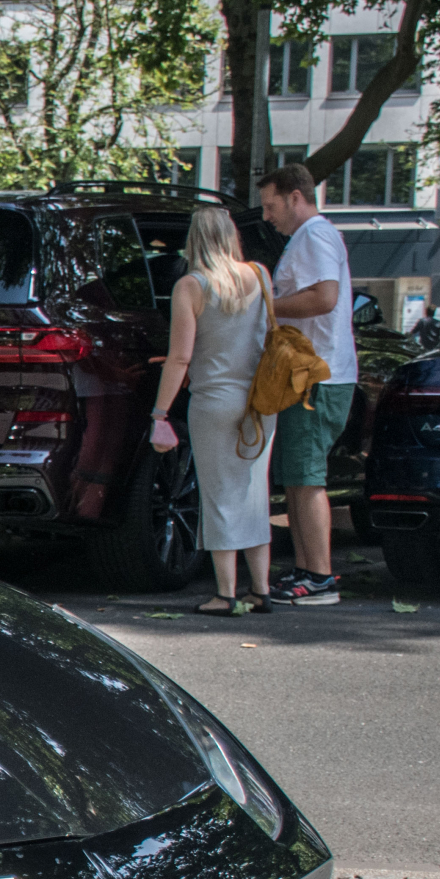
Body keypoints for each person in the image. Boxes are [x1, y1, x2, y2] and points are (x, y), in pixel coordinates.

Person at [150, 207, 275, 614]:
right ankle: (262, 589)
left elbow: (181, 358)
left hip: (215, 401)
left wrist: (160, 414)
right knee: (255, 493)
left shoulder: (191, 286)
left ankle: (226, 593)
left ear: (194, 239)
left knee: (218, 494)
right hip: (260, 402)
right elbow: (267, 337)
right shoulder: (259, 275)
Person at [258, 164, 355, 604]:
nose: (266, 216)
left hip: (317, 374)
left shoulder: (314, 235)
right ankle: (306, 570)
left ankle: (320, 576)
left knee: (307, 476)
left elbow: (324, 297)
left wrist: (267, 309)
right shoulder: (312, 236)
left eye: (271, 205)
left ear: (296, 196)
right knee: (297, 475)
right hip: (311, 373)